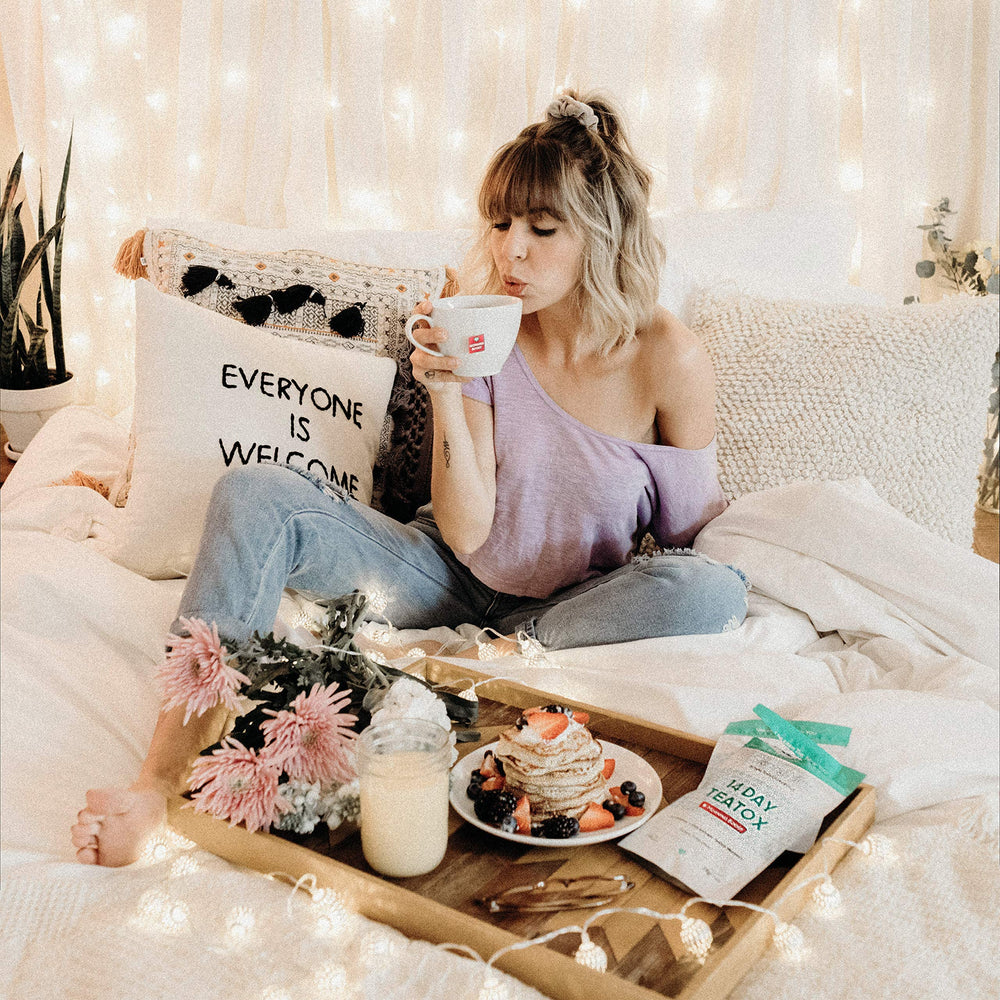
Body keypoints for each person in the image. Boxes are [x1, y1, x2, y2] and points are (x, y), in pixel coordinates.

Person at [71, 90, 748, 866]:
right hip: (443, 572)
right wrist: (448, 387)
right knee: (253, 495)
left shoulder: (671, 357)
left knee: (715, 589)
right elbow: (467, 530)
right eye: (499, 224)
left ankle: (500, 653)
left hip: (575, 601)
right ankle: (158, 783)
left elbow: (690, 539)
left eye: (542, 228)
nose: (511, 251)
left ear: (603, 232)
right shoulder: (486, 324)